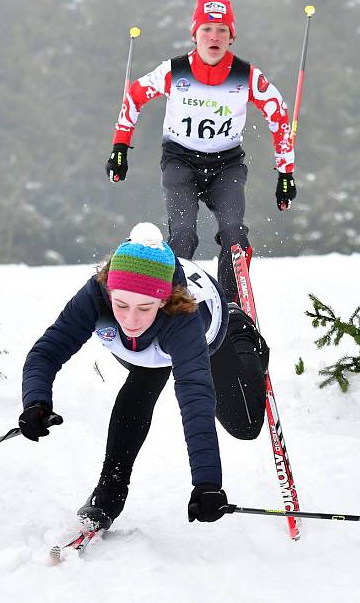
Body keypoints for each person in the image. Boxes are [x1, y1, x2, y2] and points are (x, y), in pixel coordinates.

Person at [19, 222, 269, 531]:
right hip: (147, 349)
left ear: (163, 300)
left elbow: (195, 398)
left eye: (144, 307)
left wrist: (207, 483)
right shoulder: (95, 294)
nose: (130, 319)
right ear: (109, 289)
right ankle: (110, 489)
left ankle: (240, 330)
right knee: (142, 383)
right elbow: (48, 350)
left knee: (245, 424)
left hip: (211, 333)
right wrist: (36, 402)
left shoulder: (183, 320)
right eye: (120, 305)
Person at [106, 0, 297, 303]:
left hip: (227, 166)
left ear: (231, 37)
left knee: (234, 234)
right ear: (194, 34)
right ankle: (174, 303)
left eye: (222, 29)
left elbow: (279, 113)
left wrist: (286, 173)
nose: (214, 36)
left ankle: (233, 306)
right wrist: (120, 148)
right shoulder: (174, 70)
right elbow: (134, 96)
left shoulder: (246, 76)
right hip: (180, 163)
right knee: (182, 235)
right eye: (206, 29)